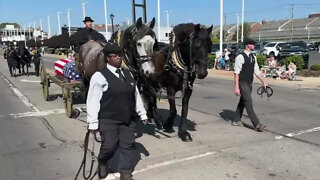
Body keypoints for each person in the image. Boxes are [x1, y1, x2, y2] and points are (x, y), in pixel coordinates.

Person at [86, 44, 148, 180]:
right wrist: (93, 123)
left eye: (120, 56)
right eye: (115, 56)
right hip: (109, 119)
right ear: (108, 58)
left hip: (128, 119)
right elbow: (93, 100)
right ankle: (102, 162)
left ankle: (125, 173)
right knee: (109, 146)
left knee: (128, 146)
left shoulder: (128, 73)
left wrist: (142, 113)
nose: (118, 59)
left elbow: (135, 95)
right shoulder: (99, 76)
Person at [232, 38, 268, 132]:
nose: (254, 45)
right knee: (248, 102)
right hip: (242, 82)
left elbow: (257, 71)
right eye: (252, 44)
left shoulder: (253, 57)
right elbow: (236, 73)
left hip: (249, 82)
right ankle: (256, 124)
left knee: (243, 102)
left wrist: (263, 81)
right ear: (248, 45)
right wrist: (236, 87)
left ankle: (236, 120)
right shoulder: (240, 57)